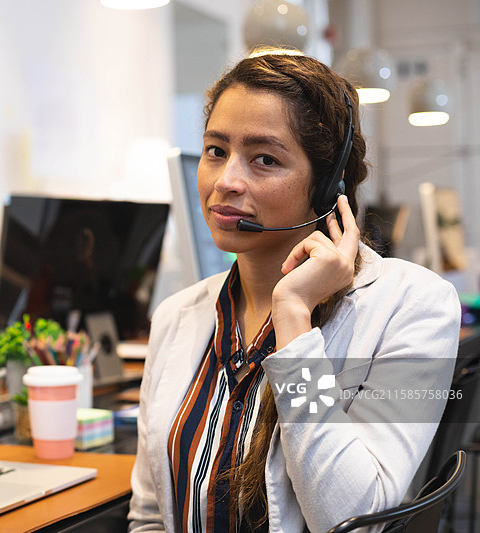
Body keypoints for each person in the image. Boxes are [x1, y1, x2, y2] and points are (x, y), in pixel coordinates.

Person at [128, 49, 461, 532]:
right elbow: (149, 517)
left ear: (328, 187)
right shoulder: (177, 316)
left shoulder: (414, 305)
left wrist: (293, 314)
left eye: (265, 159)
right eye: (215, 150)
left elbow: (351, 518)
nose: (226, 181)